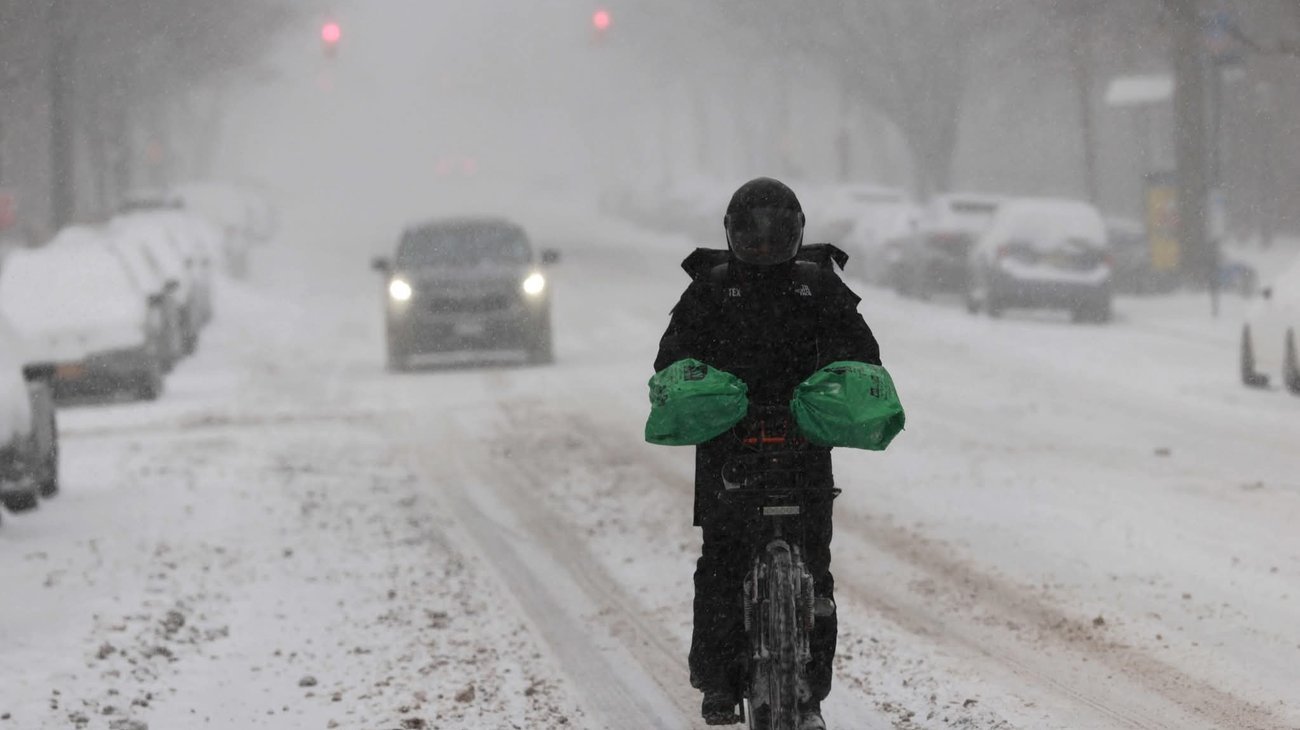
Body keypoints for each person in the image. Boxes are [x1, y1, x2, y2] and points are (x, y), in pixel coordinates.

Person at [653, 177, 882, 728]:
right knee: (721, 564)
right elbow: (671, 361)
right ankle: (717, 681)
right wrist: (704, 393)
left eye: (773, 236)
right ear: (730, 235)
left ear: (796, 234)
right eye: (750, 237)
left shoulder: (819, 286)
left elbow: (863, 353)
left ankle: (811, 694)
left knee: (817, 569)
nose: (761, 248)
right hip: (728, 447)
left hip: (804, 445)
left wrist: (841, 387)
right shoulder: (708, 290)